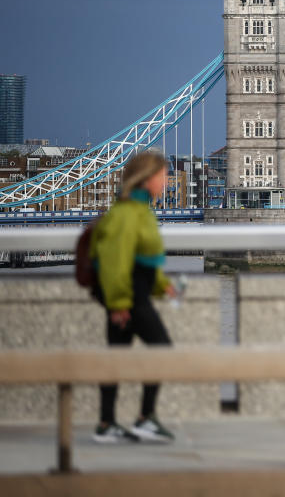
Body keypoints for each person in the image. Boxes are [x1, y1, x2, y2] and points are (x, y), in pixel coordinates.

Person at [89, 151, 178, 443]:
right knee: (162, 348)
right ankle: (145, 418)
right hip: (129, 297)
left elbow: (143, 257)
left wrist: (161, 284)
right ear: (148, 178)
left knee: (116, 357)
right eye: (164, 176)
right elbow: (116, 262)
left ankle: (106, 424)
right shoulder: (128, 213)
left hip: (132, 292)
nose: (167, 182)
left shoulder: (138, 210)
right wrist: (118, 304)